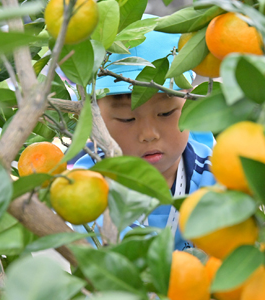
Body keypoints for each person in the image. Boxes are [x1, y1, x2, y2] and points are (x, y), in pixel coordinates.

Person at [71, 14, 216, 250]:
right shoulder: (87, 189)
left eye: (166, 113)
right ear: (92, 119)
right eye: (127, 118)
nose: (148, 134)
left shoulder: (214, 172)